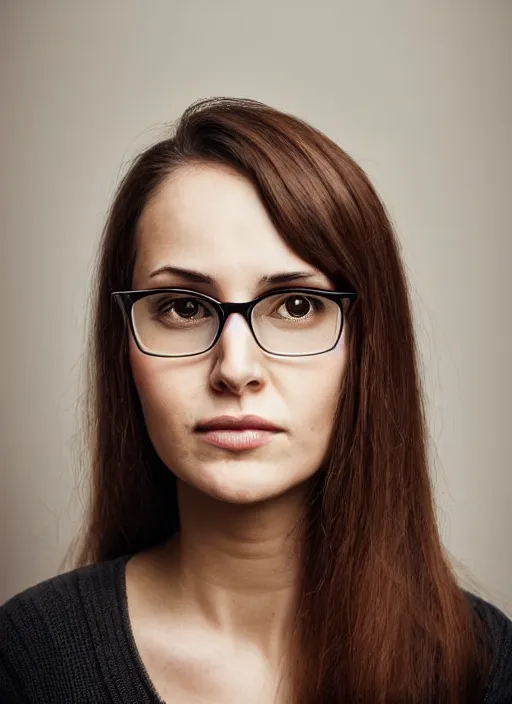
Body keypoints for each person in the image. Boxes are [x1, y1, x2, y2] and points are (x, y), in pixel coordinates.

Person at [0, 97, 510, 704]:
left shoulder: (480, 667)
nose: (235, 370)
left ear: (369, 351)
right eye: (184, 308)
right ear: (124, 349)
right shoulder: (31, 660)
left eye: (297, 306)